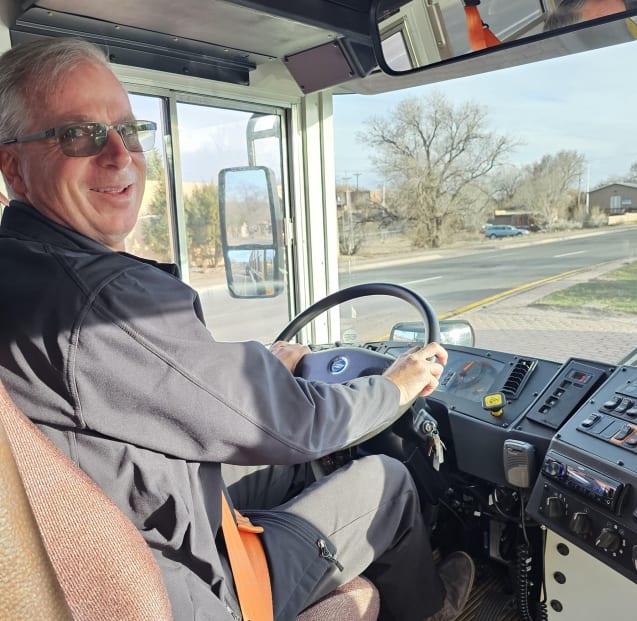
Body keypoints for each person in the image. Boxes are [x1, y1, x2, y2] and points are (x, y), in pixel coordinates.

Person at [0, 37, 474, 621]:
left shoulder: (21, 269)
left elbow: (159, 379)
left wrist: (263, 369)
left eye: (130, 129)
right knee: (389, 480)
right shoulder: (102, 298)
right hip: (190, 587)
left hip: (139, 530)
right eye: (79, 134)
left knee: (301, 468)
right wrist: (398, 385)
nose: (120, 155)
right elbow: (299, 421)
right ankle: (435, 610)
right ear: (12, 165)